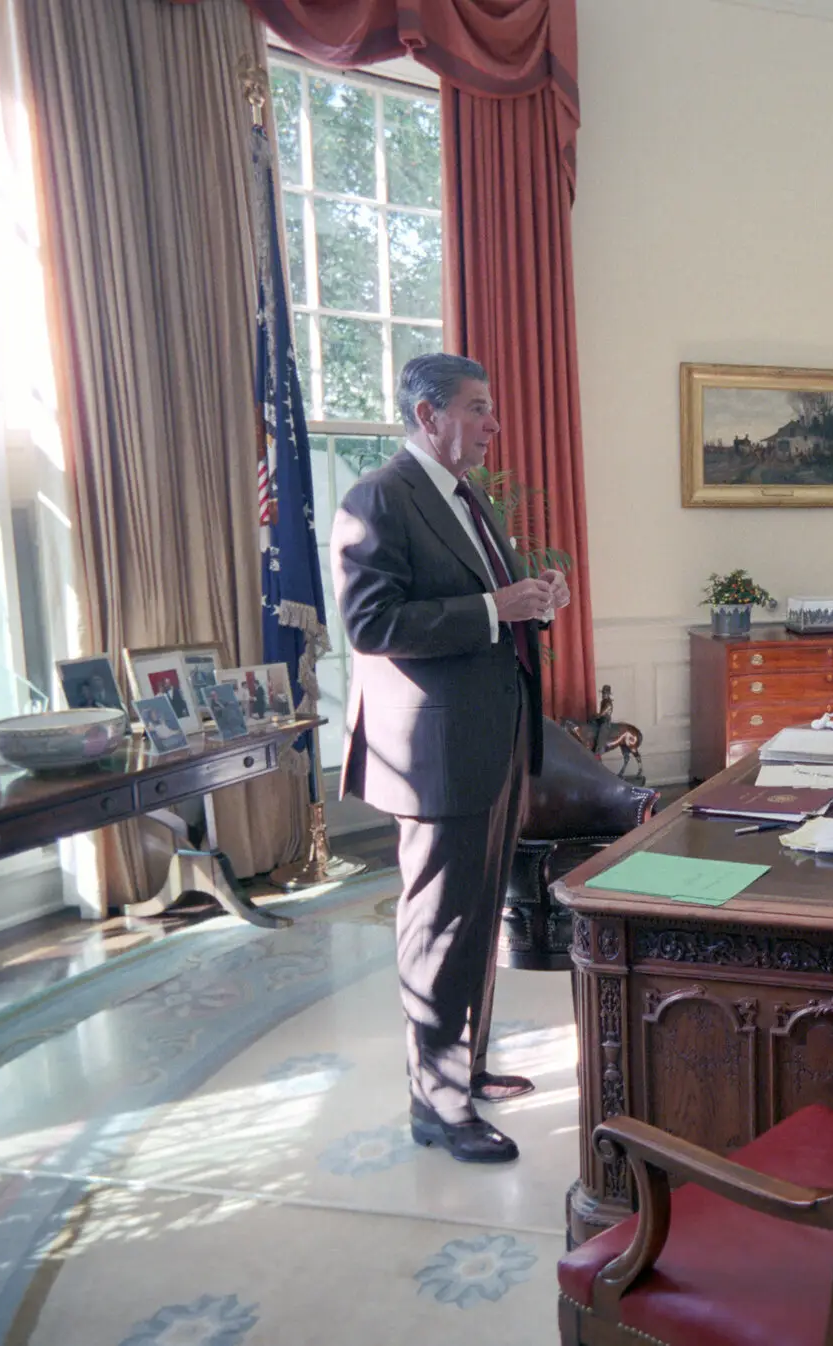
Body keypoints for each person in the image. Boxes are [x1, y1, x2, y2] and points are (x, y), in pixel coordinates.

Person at [333, 352, 571, 1165]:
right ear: (429, 415)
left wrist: (530, 602)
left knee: (479, 915)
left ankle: (463, 1066)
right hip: (432, 751)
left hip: (490, 735)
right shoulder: (379, 497)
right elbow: (370, 623)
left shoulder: (466, 498)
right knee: (438, 922)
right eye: (479, 408)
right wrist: (491, 607)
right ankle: (437, 1106)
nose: (494, 425)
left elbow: (486, 608)